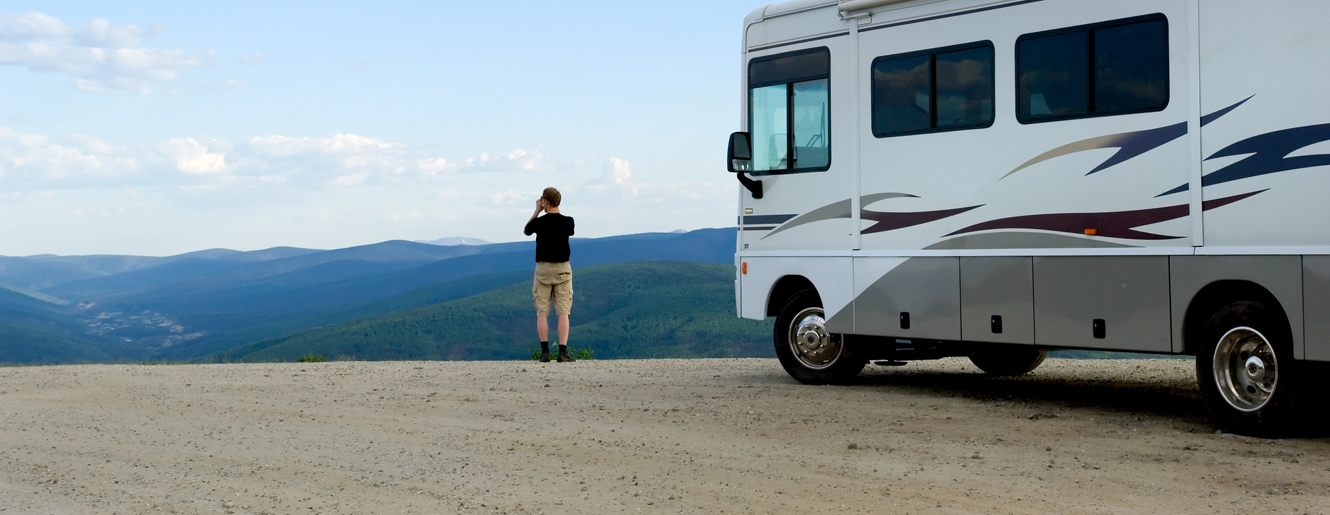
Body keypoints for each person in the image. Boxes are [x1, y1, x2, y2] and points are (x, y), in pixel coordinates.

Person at [524, 187, 575, 363]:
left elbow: (527, 230)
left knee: (542, 312)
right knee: (563, 311)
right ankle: (562, 352)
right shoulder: (568, 222)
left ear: (545, 201)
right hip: (562, 268)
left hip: (543, 269)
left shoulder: (539, 222)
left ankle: (545, 353)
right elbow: (571, 232)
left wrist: (537, 211)